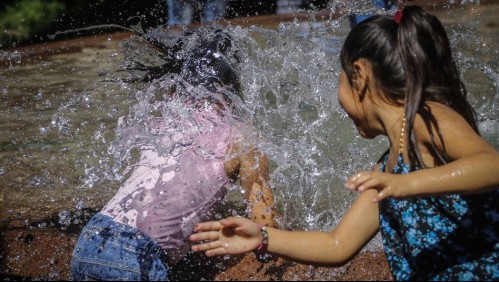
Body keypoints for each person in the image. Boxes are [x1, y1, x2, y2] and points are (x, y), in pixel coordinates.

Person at [189, 6, 499, 281]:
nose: (339, 99)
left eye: (340, 80)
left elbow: (492, 165)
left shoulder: (427, 118)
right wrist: (262, 237)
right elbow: (337, 244)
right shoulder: (388, 166)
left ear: (359, 75)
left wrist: (408, 184)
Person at [70, 27, 277, 281]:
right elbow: (264, 222)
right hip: (135, 255)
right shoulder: (242, 137)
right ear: (232, 86)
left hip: (90, 239)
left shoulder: (167, 119)